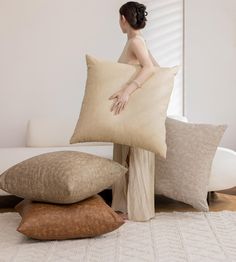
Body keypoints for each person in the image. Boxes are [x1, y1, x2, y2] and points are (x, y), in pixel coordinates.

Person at [108, 1, 160, 222]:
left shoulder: (136, 42)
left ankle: (134, 209)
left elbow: (149, 68)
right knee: (128, 156)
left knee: (132, 156)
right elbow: (158, 70)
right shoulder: (137, 41)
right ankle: (128, 206)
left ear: (123, 19)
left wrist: (128, 90)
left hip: (133, 110)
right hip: (132, 110)